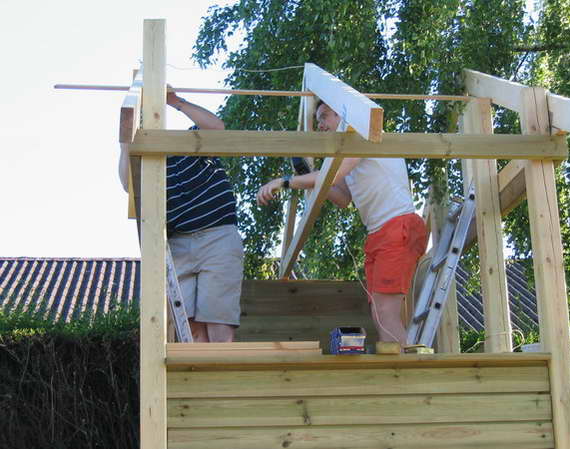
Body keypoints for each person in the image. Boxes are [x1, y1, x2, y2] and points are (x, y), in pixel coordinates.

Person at [257, 101, 428, 345]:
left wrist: (285, 181)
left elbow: (330, 176)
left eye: (324, 116)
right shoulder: (348, 155)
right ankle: (397, 361)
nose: (320, 124)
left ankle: (401, 365)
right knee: (379, 313)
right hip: (380, 233)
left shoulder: (362, 131)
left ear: (342, 114)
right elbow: (342, 198)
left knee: (385, 312)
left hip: (397, 227)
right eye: (318, 120)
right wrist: (309, 179)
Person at [119, 88, 244, 343]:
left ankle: (220, 368)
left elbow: (216, 128)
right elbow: (127, 183)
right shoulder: (149, 165)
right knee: (189, 328)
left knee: (219, 322)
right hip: (178, 244)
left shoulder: (191, 142)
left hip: (217, 237)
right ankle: (201, 370)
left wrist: (175, 101)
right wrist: (125, 143)